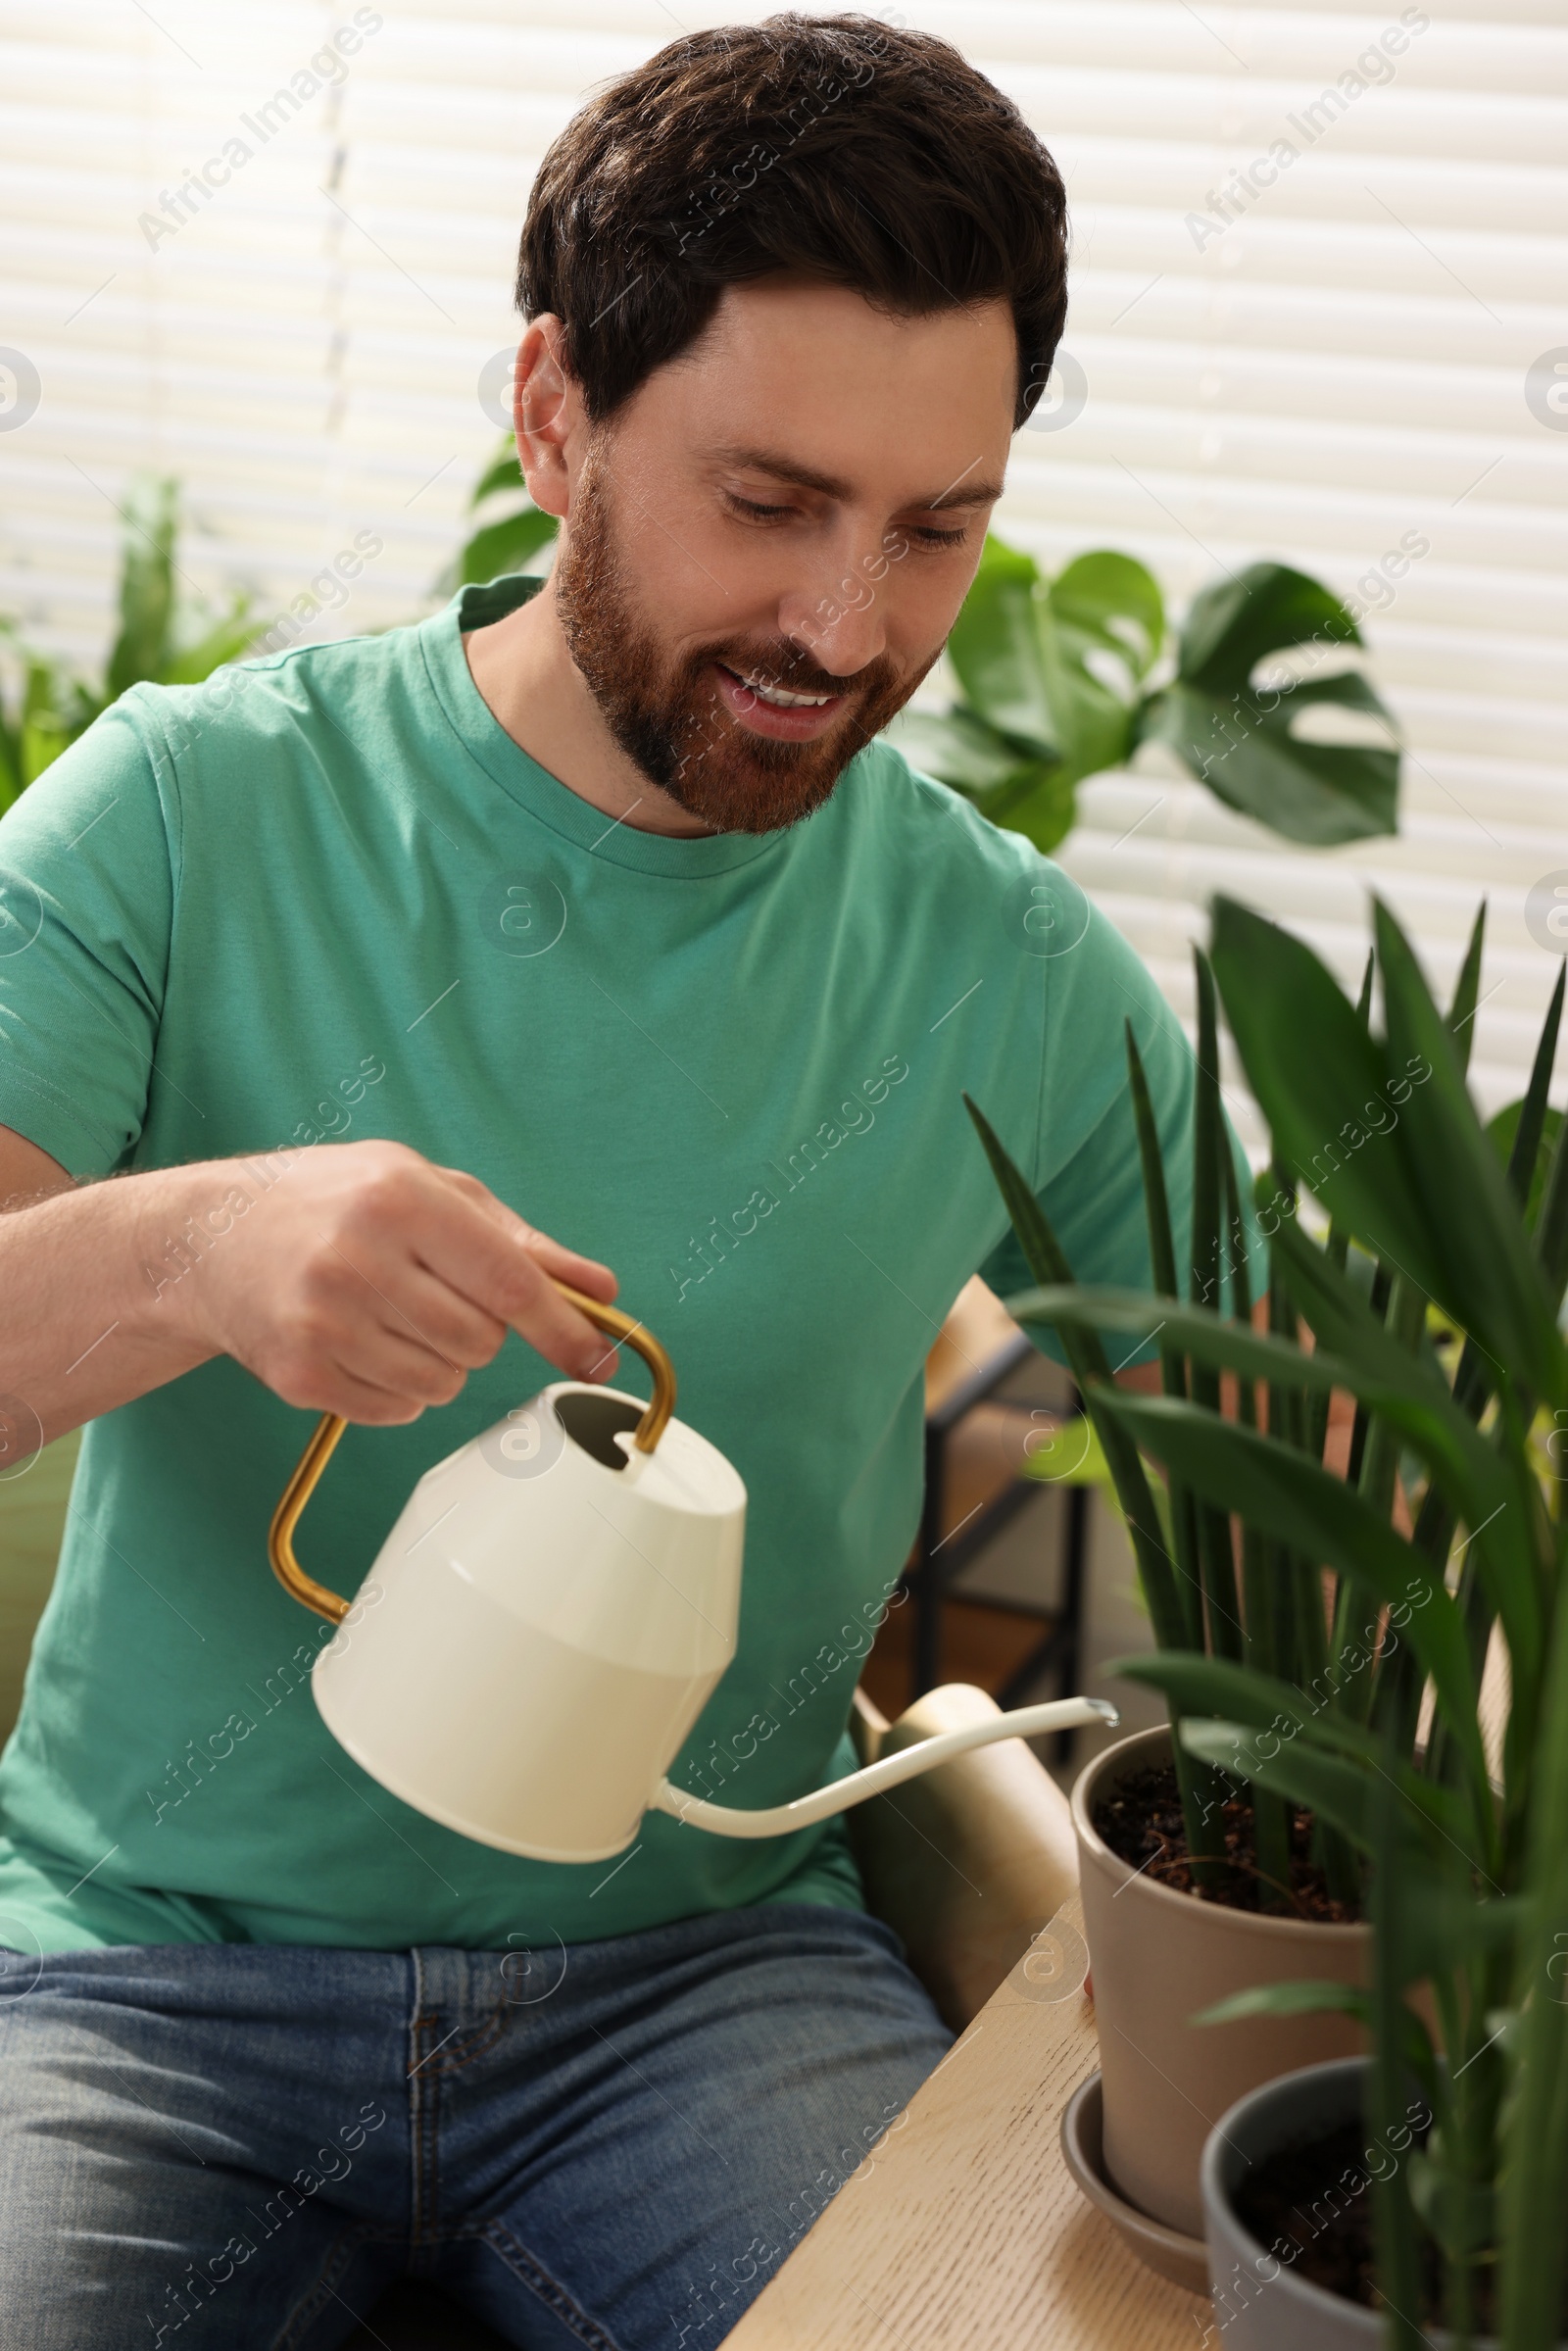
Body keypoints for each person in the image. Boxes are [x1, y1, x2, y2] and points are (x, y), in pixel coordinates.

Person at [0, 16, 1214, 2346]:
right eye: (766, 503)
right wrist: (192, 1245)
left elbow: (1286, 1455)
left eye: (934, 528)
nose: (845, 632)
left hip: (704, 1988)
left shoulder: (1012, 969)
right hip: (144, 1982)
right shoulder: (184, 816)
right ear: (552, 407)